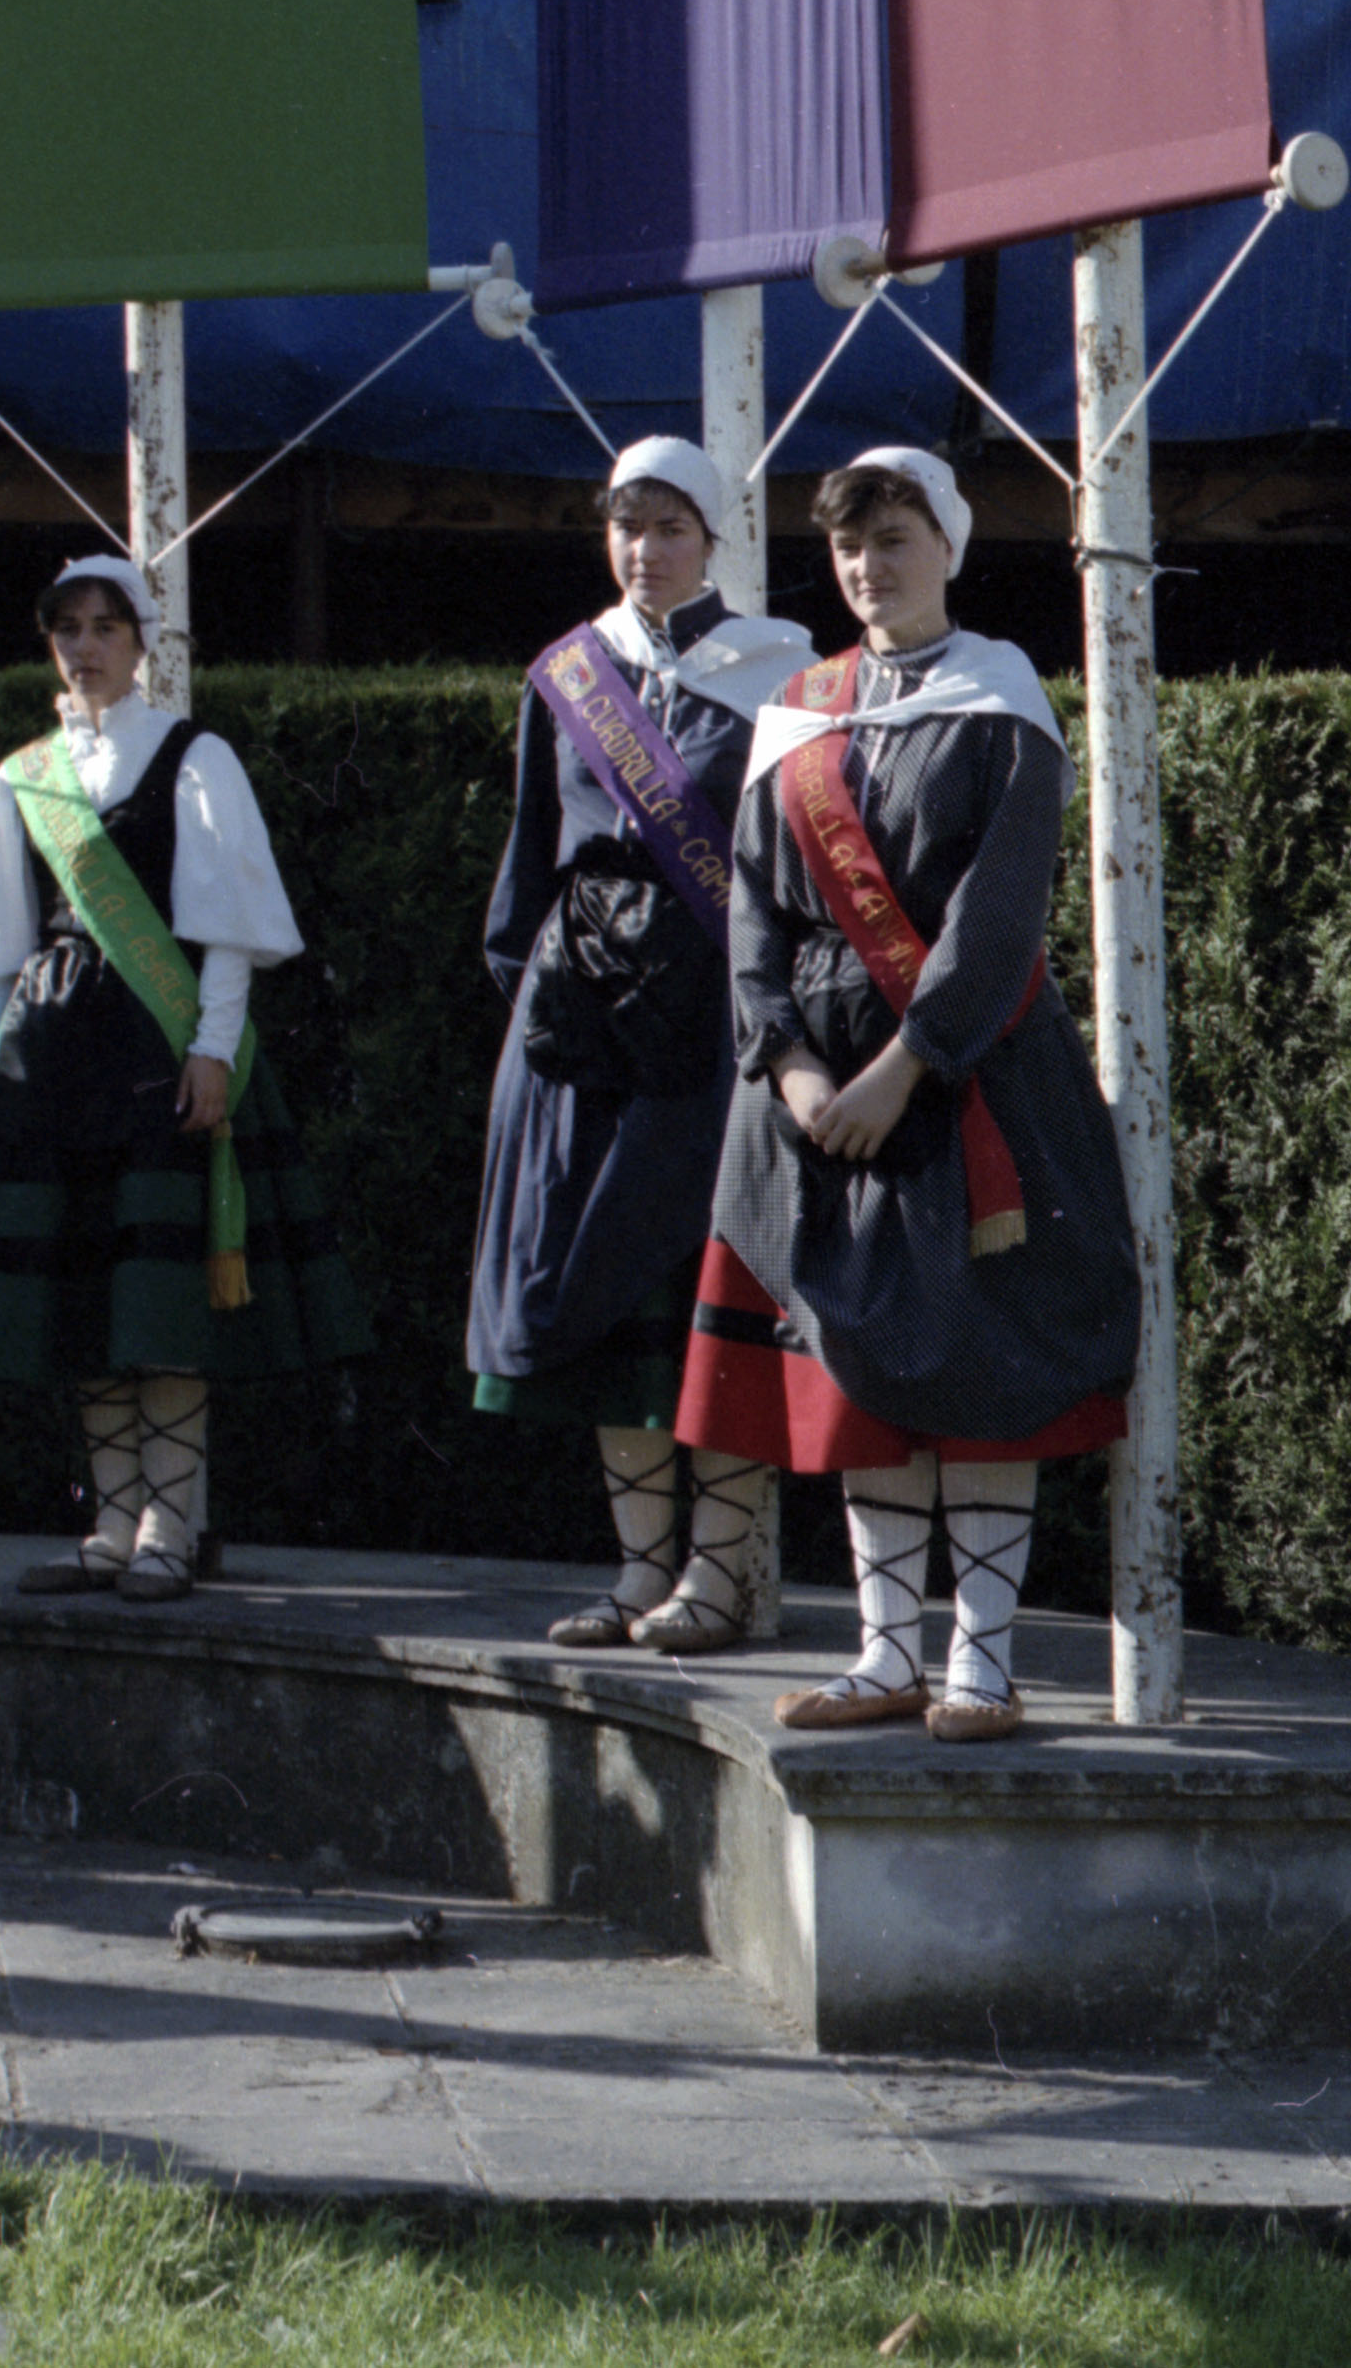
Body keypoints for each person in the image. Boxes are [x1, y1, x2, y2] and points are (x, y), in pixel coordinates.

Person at [679, 447, 1139, 1745]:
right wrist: (789, 1064)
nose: (867, 565)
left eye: (892, 538)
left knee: (980, 1366)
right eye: (847, 545)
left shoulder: (1002, 700)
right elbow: (753, 912)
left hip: (970, 1080)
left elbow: (998, 918)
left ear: (947, 542)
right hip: (816, 1095)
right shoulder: (797, 710)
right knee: (859, 1367)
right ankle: (884, 1654)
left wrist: (903, 1064)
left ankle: (980, 1664)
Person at [0, 550, 365, 1596]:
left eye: (105, 626)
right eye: (66, 627)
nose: (85, 645)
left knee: (160, 1302)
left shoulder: (195, 757)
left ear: (141, 640)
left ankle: (168, 1523)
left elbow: (229, 930)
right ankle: (110, 1525)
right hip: (54, 1058)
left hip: (157, 1053)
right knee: (84, 1296)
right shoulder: (19, 778)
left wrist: (212, 1048)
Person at [468, 438, 805, 1651]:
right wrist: (532, 1008)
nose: (643, 547)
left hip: (709, 1023)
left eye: (668, 525)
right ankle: (633, 1571)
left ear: (711, 535)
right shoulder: (567, 672)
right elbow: (528, 856)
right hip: (580, 1020)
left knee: (707, 1290)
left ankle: (717, 1575)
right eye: (624, 524)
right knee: (603, 1294)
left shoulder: (778, 668)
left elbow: (792, 860)